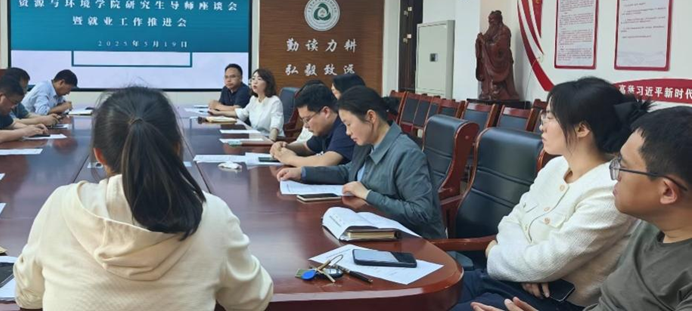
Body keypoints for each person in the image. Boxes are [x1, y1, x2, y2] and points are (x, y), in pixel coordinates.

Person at [14, 87, 273, 310]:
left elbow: (28, 296)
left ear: (99, 155)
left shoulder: (60, 206)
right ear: (176, 148)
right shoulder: (211, 214)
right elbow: (252, 300)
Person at [454, 78, 650, 310]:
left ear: (582, 129)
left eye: (550, 117)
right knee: (426, 296)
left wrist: (494, 252)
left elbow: (547, 262)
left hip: (548, 302)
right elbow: (512, 221)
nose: (542, 125)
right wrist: (526, 270)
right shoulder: (556, 166)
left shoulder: (609, 190)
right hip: (504, 280)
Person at [471, 106, 692, 311]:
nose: (613, 175)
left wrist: (507, 258)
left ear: (667, 192)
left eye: (623, 166)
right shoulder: (652, 226)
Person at [276, 86, 445, 239]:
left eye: (349, 124)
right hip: (376, 230)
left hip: (414, 243)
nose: (347, 132)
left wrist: (367, 194)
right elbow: (348, 171)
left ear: (371, 117)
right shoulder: (366, 143)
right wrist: (303, 172)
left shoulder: (406, 154)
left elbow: (420, 212)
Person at [269, 84, 355, 167]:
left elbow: (325, 162)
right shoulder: (325, 129)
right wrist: (286, 147)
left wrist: (290, 158)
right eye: (303, 120)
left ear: (326, 112)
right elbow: (306, 147)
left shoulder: (344, 126)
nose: (305, 126)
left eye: (307, 119)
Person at [210, 69, 283, 141]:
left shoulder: (274, 101)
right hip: (256, 137)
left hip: (270, 138)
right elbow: (242, 113)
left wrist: (271, 142)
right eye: (253, 79)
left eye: (259, 79)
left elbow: (275, 125)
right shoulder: (254, 99)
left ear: (268, 83)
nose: (255, 82)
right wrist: (219, 113)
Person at [292, 79, 326, 144]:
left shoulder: (321, 126)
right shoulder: (308, 115)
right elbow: (304, 144)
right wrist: (285, 146)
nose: (305, 126)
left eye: (307, 119)